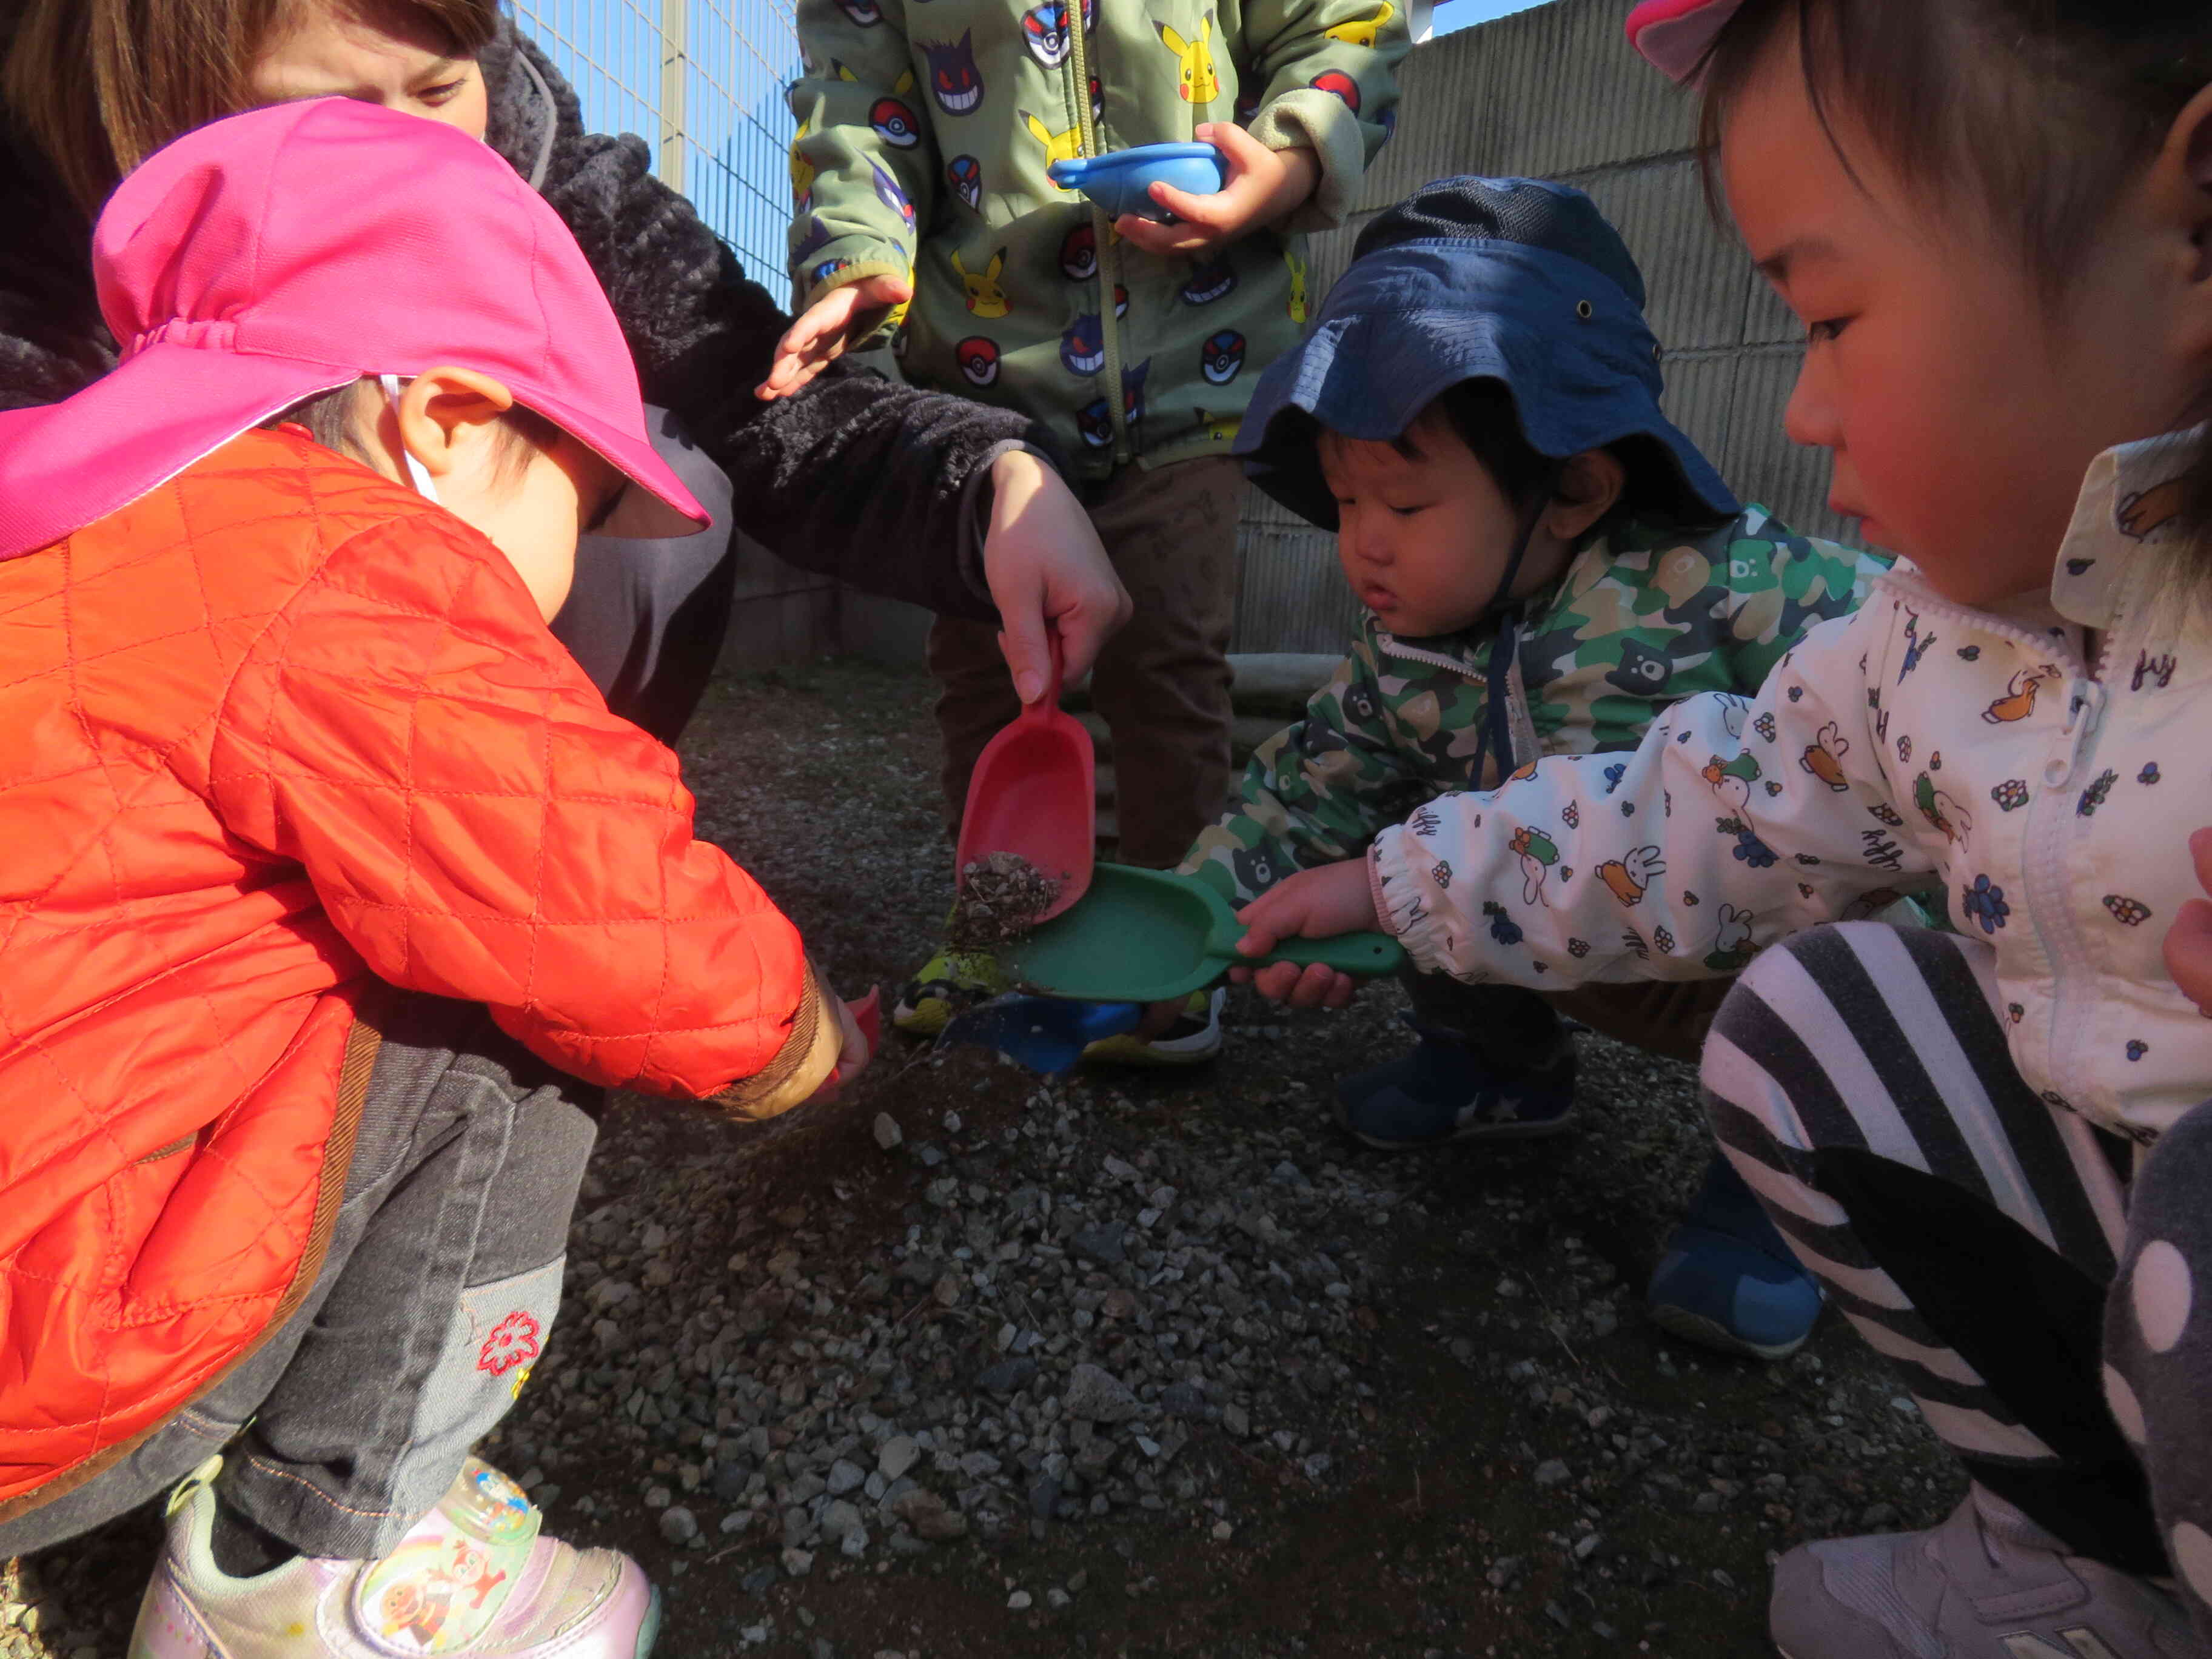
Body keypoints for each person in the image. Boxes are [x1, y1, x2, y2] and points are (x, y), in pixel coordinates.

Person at [1222, 0, 2212, 1651]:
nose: (1803, 410)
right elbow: (1672, 807)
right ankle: (2080, 1558)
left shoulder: (1737, 587)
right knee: (1791, 1009)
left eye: (1826, 320)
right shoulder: (1925, 648)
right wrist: (1368, 883)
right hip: (2060, 1164)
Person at [0, 99, 870, 1653]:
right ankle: (325, 1553)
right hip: (38, 1369)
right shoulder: (337, 560)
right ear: (451, 419)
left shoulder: (75, 522)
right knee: (496, 1003)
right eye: (585, 509)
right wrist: (808, 1045)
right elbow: (609, 908)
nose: (578, 569)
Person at [1170, 173, 1885, 1359]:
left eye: (1403, 498)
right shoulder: (1409, 650)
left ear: (1579, 487)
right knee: (1422, 822)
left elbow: (1917, 689)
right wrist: (1198, 914)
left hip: (1742, 958)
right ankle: (1497, 1065)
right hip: (1548, 926)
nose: (1364, 542)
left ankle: (1792, 1189)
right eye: (1343, 501)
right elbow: (1308, 786)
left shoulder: (1744, 596)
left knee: (1854, 931)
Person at [0, 0, 1131, 746]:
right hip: (124, 700)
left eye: (443, 92)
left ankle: (526, 863)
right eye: (334, 113)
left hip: (421, 711)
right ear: (141, 94)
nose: (425, 158)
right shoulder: (31, 227)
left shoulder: (528, 153)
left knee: (665, 507)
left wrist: (987, 484)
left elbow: (744, 378)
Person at [767, 0, 1409, 1047]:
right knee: (986, 671)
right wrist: (856, 253)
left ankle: (1177, 943)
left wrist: (1287, 161)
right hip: (981, 388)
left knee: (1168, 666)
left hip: (1197, 366)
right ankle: (994, 930)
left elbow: (1338, 26)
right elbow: (857, 102)